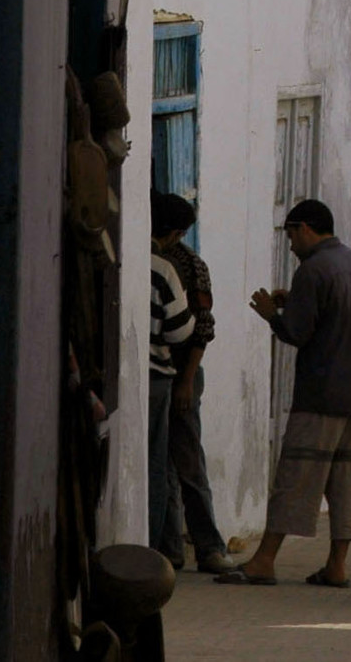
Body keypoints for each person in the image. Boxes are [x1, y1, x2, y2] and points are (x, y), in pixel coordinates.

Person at [218, 199, 351, 589]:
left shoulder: (314, 269)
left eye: (290, 235)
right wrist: (295, 302)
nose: (289, 245)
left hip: (320, 394)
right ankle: (336, 566)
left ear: (306, 228)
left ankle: (264, 561)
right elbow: (330, 314)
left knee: (296, 475)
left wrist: (272, 313)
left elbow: (297, 333)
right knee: (346, 481)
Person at [151, 192, 232, 574]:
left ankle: (209, 547)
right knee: (161, 464)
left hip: (181, 373)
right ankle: (169, 550)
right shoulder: (149, 257)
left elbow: (202, 327)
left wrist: (186, 382)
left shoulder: (190, 266)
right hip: (160, 373)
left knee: (186, 460)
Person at [147, 240, 196, 557]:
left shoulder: (112, 253)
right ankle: (154, 548)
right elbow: (181, 331)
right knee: (156, 465)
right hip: (156, 376)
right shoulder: (163, 269)